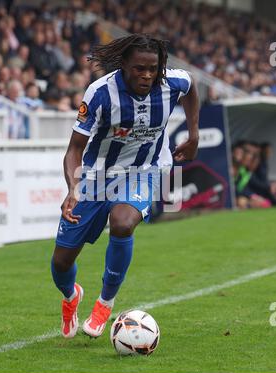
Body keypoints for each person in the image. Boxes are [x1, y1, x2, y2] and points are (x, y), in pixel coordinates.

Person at [51, 34, 199, 339]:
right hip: (95, 176)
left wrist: (194, 134)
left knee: (122, 223)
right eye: (138, 69)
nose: (146, 75)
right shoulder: (100, 93)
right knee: (61, 262)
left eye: (153, 68)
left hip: (144, 170)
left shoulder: (173, 82)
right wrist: (72, 189)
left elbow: (192, 86)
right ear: (123, 65)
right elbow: (74, 149)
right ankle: (71, 296)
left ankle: (105, 302)